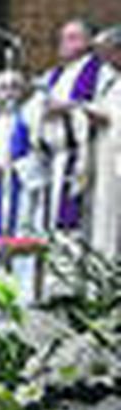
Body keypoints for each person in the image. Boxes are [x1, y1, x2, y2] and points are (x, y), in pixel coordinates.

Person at [40, 20, 118, 236]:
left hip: (86, 157)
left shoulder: (102, 73)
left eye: (72, 37)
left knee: (86, 224)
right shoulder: (54, 76)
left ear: (89, 42)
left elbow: (108, 111)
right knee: (54, 225)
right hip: (57, 159)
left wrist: (70, 108)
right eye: (62, 37)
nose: (63, 43)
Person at [0, 69, 43, 301]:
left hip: (19, 188)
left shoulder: (31, 119)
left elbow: (40, 152)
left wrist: (17, 168)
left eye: (14, 87)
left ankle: (23, 294)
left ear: (22, 92)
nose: (9, 93)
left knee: (21, 233)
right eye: (3, 88)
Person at [89, 27, 121, 256]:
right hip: (107, 157)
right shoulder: (112, 82)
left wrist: (108, 119)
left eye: (108, 53)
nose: (105, 60)